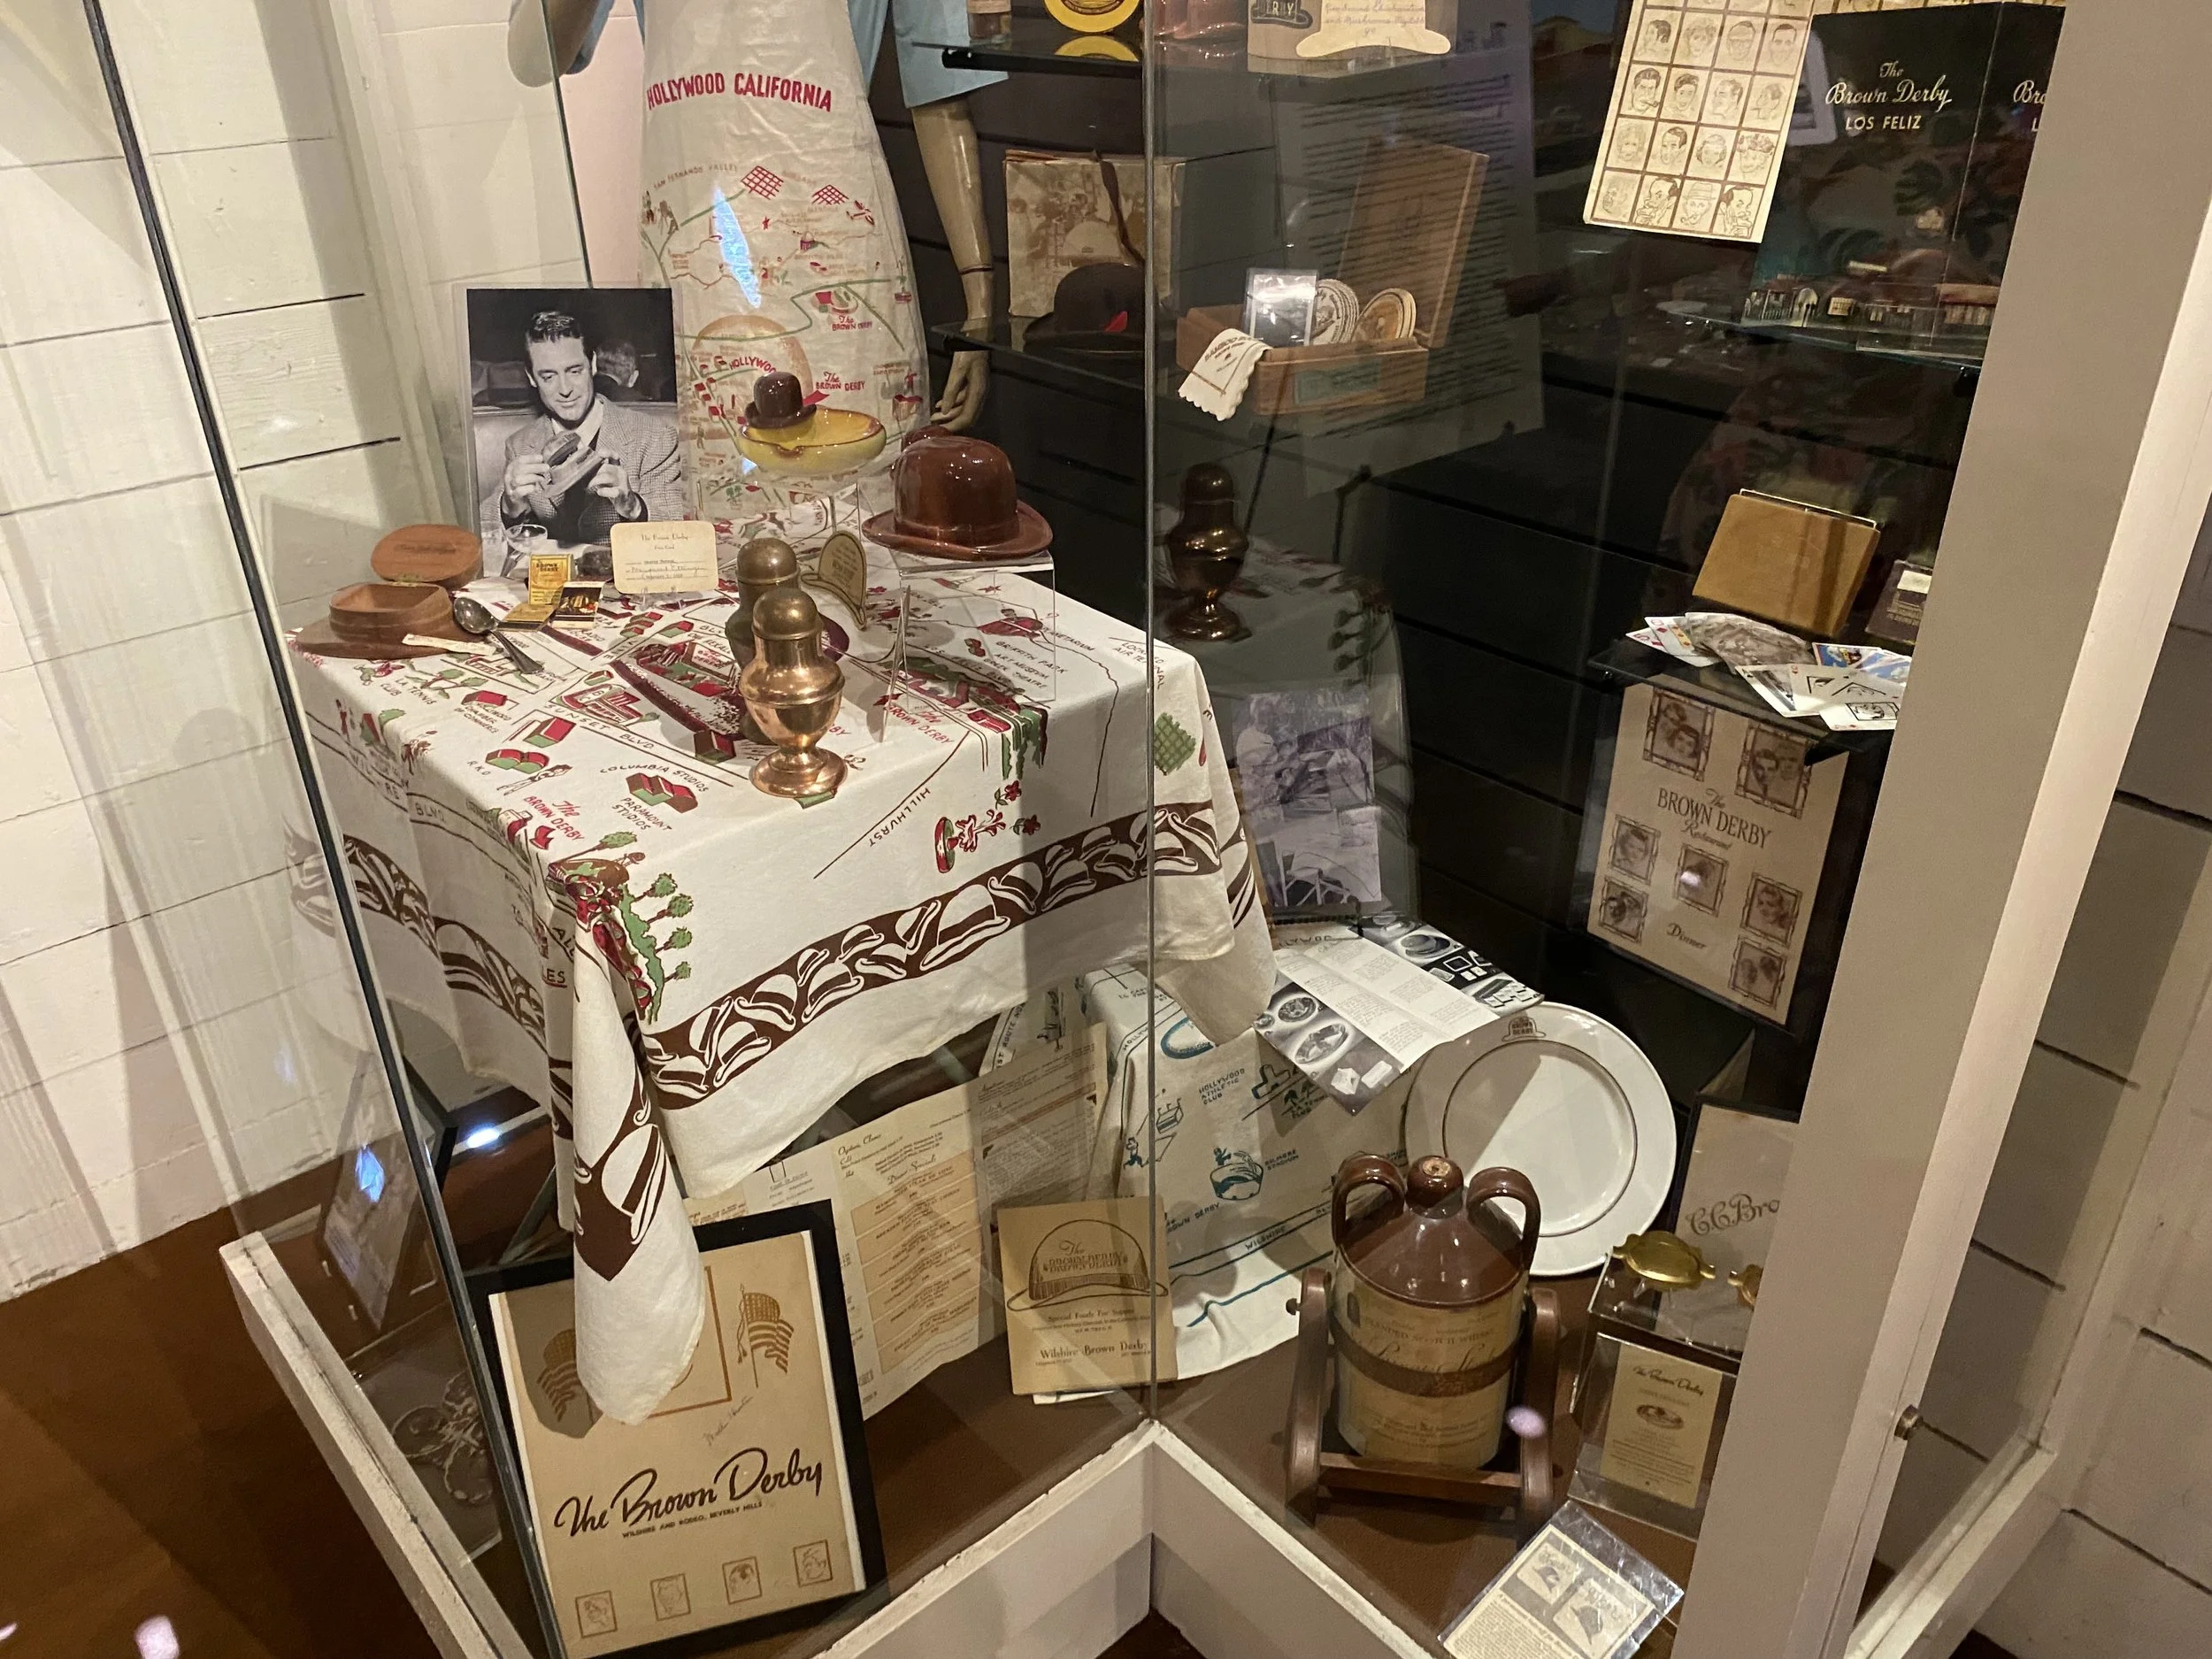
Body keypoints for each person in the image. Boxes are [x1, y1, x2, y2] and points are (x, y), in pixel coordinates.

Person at [493, 311, 684, 544]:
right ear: (531, 377)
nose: (565, 389)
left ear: (593, 364)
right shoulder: (520, 445)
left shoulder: (655, 436)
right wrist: (508, 507)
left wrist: (634, 507)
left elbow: (679, 534)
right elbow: (480, 534)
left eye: (574, 371)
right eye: (548, 377)